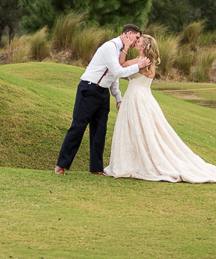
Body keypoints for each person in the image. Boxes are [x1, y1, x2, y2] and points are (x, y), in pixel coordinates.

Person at [104, 35, 216, 183]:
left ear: (143, 47)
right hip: (143, 97)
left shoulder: (141, 61)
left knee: (140, 128)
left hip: (137, 97)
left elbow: (121, 64)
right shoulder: (147, 62)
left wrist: (125, 47)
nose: (135, 42)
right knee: (141, 129)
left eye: (138, 41)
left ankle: (136, 162)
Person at [55, 24, 150, 175]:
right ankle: (61, 165)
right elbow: (118, 71)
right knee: (78, 127)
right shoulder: (110, 47)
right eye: (136, 38)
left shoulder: (121, 51)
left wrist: (118, 97)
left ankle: (96, 169)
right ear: (129, 33)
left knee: (100, 131)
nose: (137, 41)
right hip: (89, 89)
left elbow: (112, 77)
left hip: (103, 93)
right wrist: (138, 66)